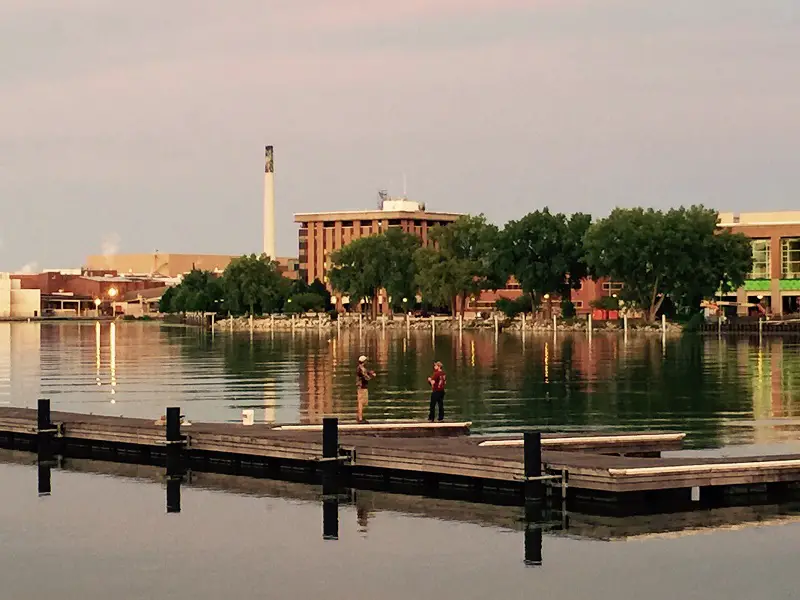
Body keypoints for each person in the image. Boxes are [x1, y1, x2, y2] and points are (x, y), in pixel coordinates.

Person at [356, 355, 375, 424]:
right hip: (362, 387)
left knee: (361, 403)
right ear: (364, 362)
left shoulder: (361, 368)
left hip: (361, 387)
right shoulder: (361, 369)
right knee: (361, 403)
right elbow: (366, 377)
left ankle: (360, 417)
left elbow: (366, 373)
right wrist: (371, 376)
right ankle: (360, 418)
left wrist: (370, 373)